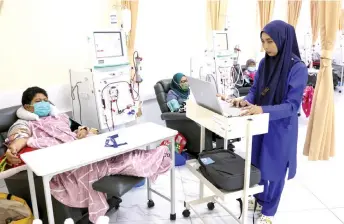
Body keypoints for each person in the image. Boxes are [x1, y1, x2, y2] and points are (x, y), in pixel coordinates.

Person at [231, 21, 308, 223]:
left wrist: (262, 109)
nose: (265, 47)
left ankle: (269, 211)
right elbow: (256, 90)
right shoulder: (265, 63)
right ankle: (259, 198)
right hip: (259, 121)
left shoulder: (297, 68)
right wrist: (245, 100)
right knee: (257, 162)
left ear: (282, 40)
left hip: (281, 126)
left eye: (270, 41)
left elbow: (292, 106)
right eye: (263, 41)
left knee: (274, 170)